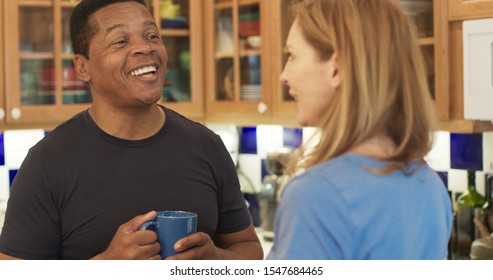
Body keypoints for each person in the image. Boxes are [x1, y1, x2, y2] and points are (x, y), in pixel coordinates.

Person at [0, 0, 263, 260]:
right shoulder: (47, 164)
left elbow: (249, 247)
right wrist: (106, 265)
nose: (145, 47)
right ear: (83, 67)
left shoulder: (208, 146)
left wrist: (215, 260)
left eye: (152, 36)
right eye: (120, 41)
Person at [267, 0, 452, 260]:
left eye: (292, 55)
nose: (283, 75)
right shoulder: (429, 185)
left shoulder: (316, 196)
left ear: (336, 67)